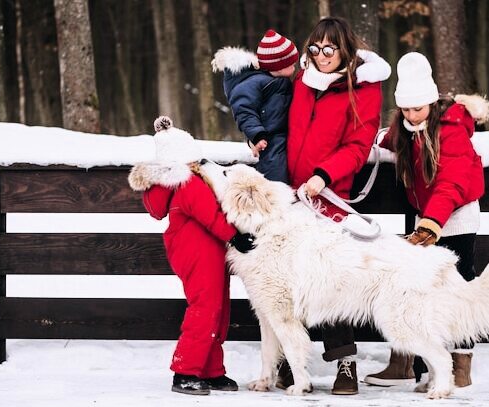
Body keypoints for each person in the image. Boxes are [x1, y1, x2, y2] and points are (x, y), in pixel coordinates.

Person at [363, 52, 489, 389]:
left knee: (459, 285)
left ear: (432, 103)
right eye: (404, 109)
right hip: (426, 219)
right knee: (415, 288)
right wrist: (374, 141)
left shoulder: (452, 129)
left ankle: (461, 363)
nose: (410, 115)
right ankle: (409, 362)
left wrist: (429, 227)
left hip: (457, 216)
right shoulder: (405, 128)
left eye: (417, 108)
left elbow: (451, 184)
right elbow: (387, 140)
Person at [284, 16, 391, 395]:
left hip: (328, 196)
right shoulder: (300, 81)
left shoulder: (363, 87)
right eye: (314, 48)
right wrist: (257, 137)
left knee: (329, 280)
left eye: (329, 48)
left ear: (345, 49)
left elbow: (359, 146)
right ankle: (289, 361)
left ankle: (345, 362)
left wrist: (323, 175)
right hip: (290, 195)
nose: (321, 55)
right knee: (288, 279)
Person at [127, 116, 255, 396]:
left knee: (217, 309)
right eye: (194, 159)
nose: (198, 163)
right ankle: (185, 371)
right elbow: (210, 216)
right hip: (199, 253)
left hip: (201, 251)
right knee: (206, 308)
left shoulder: (178, 182)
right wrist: (234, 236)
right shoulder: (187, 183)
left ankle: (210, 370)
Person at [212, 29, 298, 183]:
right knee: (276, 173)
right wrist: (257, 135)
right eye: (291, 63)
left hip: (283, 134)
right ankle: (276, 197)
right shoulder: (253, 84)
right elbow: (244, 111)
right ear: (278, 66)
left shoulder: (275, 79)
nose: (295, 66)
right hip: (269, 138)